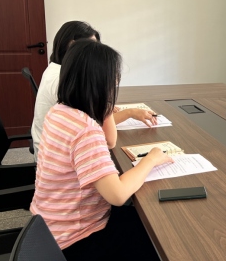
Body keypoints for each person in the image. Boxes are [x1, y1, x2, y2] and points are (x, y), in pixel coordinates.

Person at [30, 39, 177, 261]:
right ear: (101, 84)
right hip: (73, 239)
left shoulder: (60, 112)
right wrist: (151, 159)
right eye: (114, 80)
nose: (116, 84)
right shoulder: (85, 129)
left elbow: (109, 141)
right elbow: (117, 195)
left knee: (142, 218)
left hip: (48, 226)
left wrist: (106, 107)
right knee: (160, 237)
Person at [31, 20, 157, 159]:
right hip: (56, 155)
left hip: (53, 149)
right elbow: (104, 135)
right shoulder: (62, 80)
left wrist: (101, 106)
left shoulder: (58, 69)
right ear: (73, 47)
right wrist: (128, 112)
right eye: (91, 47)